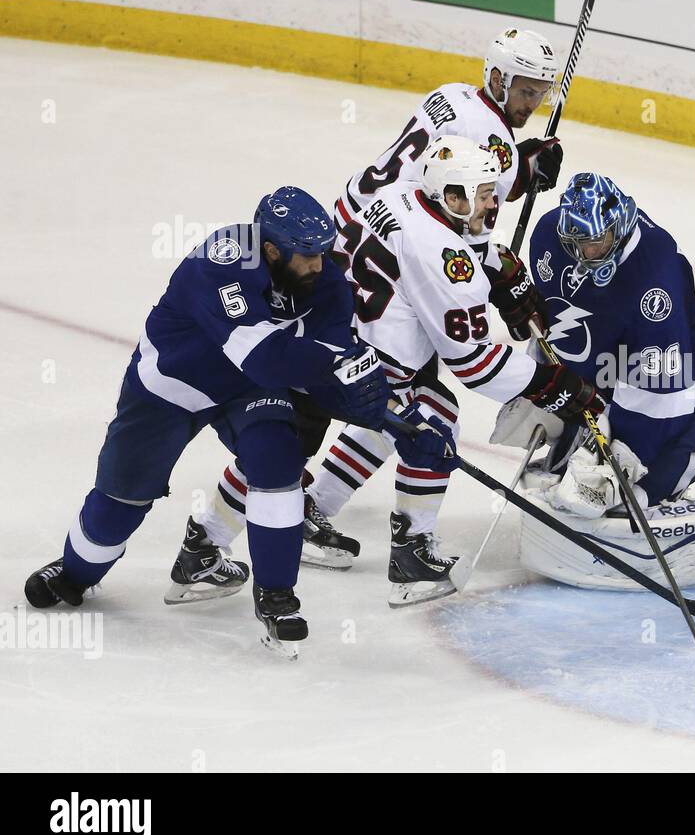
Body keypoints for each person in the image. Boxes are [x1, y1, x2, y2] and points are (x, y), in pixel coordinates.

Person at [192, 26, 566, 570]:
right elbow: (468, 212)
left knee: (391, 400)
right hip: (384, 271)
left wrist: (517, 169)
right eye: (526, 90)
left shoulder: (451, 95)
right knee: (324, 415)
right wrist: (511, 183)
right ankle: (214, 535)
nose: (534, 102)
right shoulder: (491, 148)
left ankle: (305, 506)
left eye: (541, 92)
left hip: (352, 237)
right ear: (497, 77)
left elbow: (451, 182)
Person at [24, 187, 455, 653]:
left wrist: (400, 424)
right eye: (307, 256)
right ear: (272, 250)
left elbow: (335, 366)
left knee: (278, 463)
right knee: (120, 504)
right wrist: (348, 382)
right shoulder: (225, 259)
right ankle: (74, 573)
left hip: (247, 390)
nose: (320, 265)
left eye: (323, 252)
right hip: (171, 385)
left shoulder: (325, 282)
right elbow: (267, 359)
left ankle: (278, 597)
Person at [304, 136, 602, 607]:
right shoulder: (444, 257)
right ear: (452, 197)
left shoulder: (403, 195)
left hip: (332, 339)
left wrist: (498, 267)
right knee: (433, 418)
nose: (494, 202)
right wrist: (550, 384)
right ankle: (411, 558)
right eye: (483, 194)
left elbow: (444, 245)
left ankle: (311, 508)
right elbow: (475, 363)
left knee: (397, 415)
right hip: (358, 364)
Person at [494, 173, 695, 594]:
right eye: (577, 243)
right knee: (567, 491)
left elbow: (662, 393)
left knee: (628, 504)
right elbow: (556, 327)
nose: (587, 253)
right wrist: (548, 390)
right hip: (608, 392)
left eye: (597, 241)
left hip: (687, 408)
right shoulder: (548, 234)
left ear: (619, 224)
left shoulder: (654, 274)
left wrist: (623, 458)